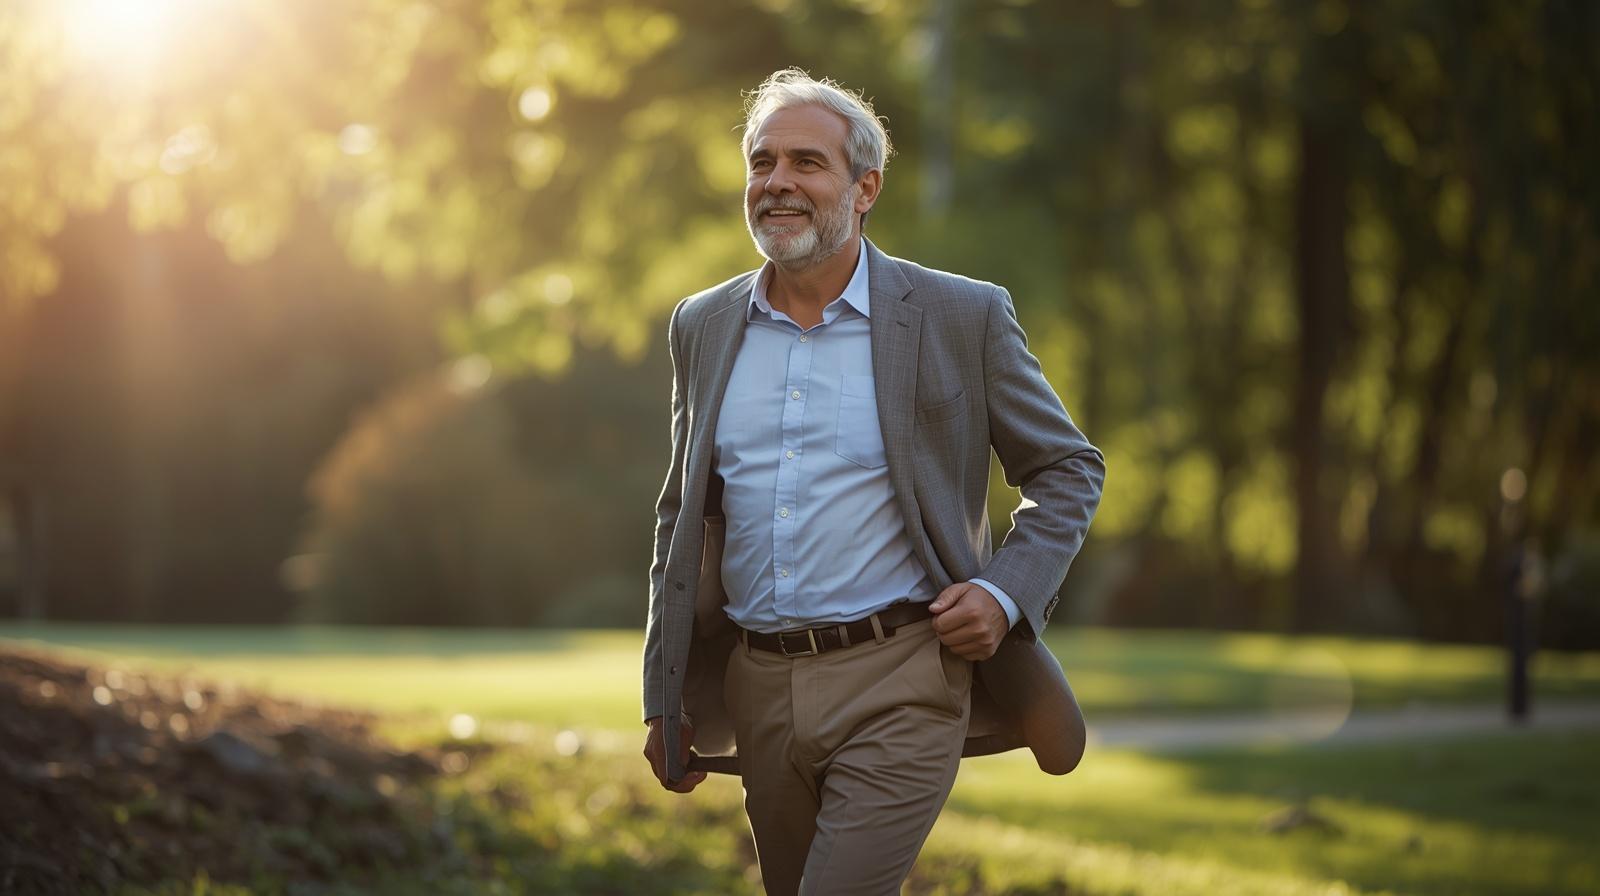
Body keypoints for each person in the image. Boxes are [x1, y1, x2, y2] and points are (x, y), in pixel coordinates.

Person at [641, 68, 1105, 895]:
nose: (777, 182)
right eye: (762, 163)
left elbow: (1068, 467)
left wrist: (1003, 594)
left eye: (806, 164)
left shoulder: (962, 315)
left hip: (904, 675)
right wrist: (665, 690)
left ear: (865, 189)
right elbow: (681, 515)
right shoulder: (702, 324)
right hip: (759, 685)